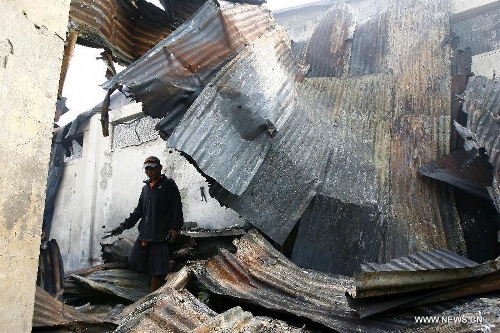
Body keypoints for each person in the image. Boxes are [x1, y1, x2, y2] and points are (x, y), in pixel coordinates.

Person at [107, 156, 184, 291]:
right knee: (134, 261)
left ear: (160, 167)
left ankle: (154, 297)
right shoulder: (145, 189)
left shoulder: (168, 185)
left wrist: (175, 228)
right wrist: (123, 226)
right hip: (145, 233)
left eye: (152, 168)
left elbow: (176, 207)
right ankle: (164, 267)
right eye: (147, 169)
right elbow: (138, 211)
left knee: (157, 271)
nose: (149, 171)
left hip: (160, 235)